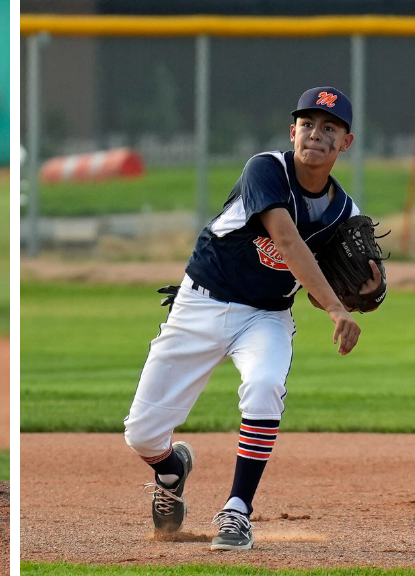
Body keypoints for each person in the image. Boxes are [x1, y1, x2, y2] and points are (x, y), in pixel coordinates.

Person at [123, 87, 382, 551]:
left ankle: (237, 510)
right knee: (140, 434)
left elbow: (325, 285)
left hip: (264, 317)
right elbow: (286, 241)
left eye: (330, 128)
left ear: (346, 143)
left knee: (264, 385)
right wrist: (337, 307)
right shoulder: (266, 168)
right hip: (199, 304)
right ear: (292, 132)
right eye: (307, 124)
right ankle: (170, 469)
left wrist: (361, 294)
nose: (316, 134)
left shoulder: (345, 214)